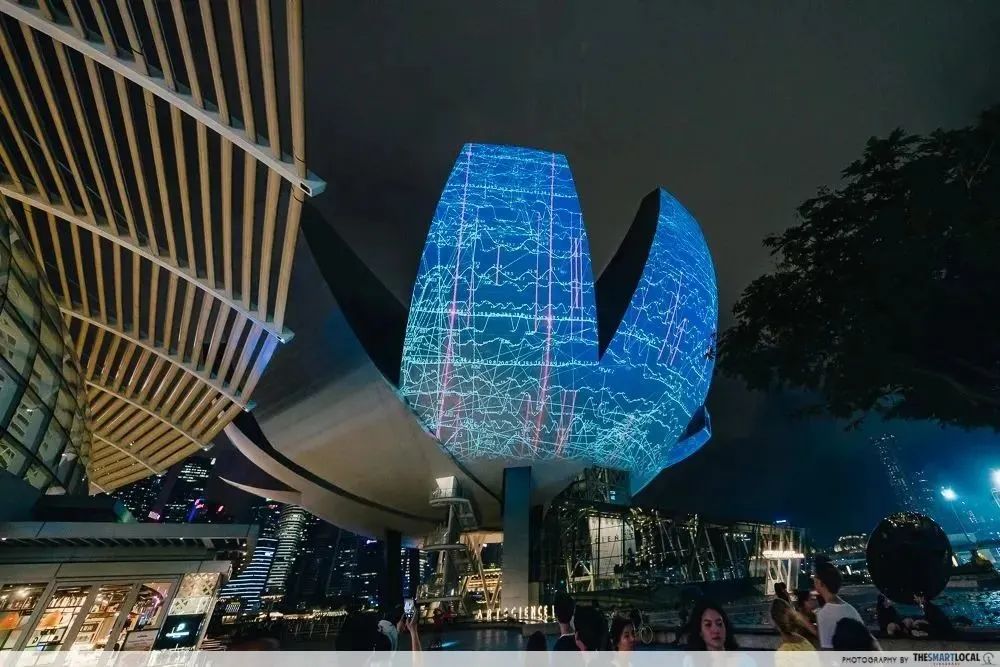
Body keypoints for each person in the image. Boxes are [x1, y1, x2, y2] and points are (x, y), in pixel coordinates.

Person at [813, 563, 863, 649]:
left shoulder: (824, 614)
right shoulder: (851, 609)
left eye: (815, 580)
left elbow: (827, 649)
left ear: (821, 583)